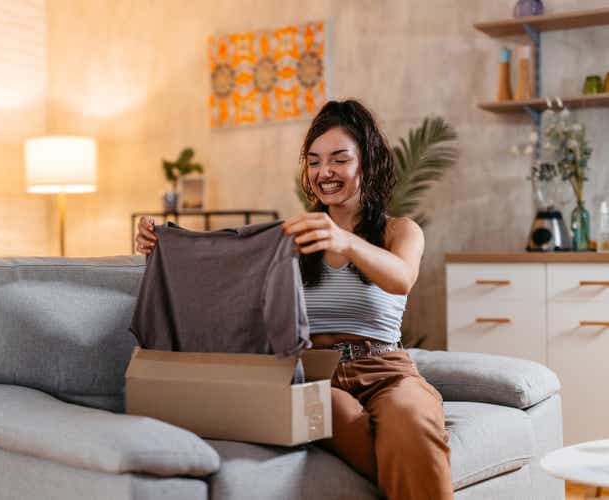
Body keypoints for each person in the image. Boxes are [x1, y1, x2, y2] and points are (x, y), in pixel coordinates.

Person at [135, 99, 453, 500]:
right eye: (315, 161)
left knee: (410, 418)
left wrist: (345, 240)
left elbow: (402, 278)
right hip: (311, 373)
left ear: (367, 163)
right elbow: (223, 266)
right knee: (338, 412)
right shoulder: (293, 236)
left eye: (339, 159)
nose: (325, 172)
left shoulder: (399, 231)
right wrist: (161, 245)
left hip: (385, 369)